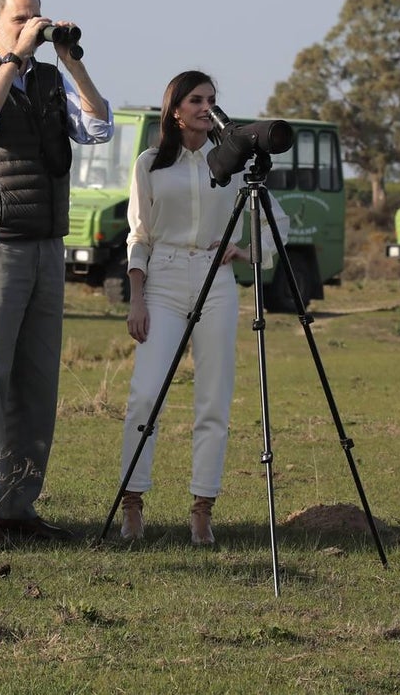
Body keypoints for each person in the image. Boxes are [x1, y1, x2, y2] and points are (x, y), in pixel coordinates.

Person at [0, 0, 112, 544]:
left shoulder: (50, 80)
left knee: (38, 383)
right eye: (20, 19)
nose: (32, 27)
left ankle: (18, 507)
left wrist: (72, 63)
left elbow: (98, 127)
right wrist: (15, 59)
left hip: (45, 243)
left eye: (36, 18)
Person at [117, 70, 289, 544]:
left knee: (214, 398)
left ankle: (202, 508)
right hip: (163, 279)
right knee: (146, 395)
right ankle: (132, 503)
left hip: (217, 283)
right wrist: (137, 298)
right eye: (195, 99)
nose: (205, 107)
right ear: (175, 109)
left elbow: (276, 222)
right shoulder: (150, 164)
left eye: (211, 99)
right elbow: (139, 236)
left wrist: (246, 251)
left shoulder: (230, 162)